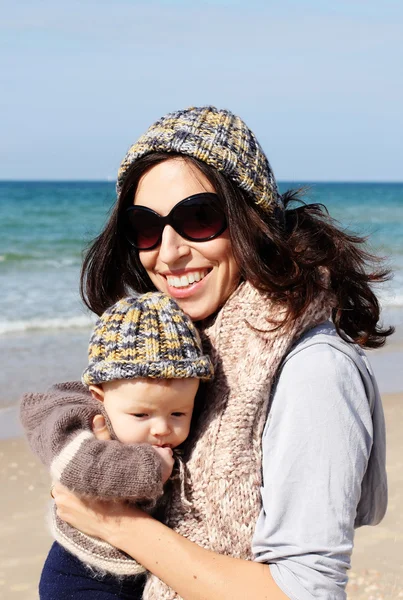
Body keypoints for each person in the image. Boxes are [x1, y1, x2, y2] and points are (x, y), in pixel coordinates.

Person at [20, 105, 392, 600]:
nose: (168, 252)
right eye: (146, 227)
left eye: (198, 217)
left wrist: (117, 524)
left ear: (252, 219)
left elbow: (306, 592)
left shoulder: (315, 371)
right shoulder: (190, 343)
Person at [21, 291, 213, 597]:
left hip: (144, 570)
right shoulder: (76, 417)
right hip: (81, 572)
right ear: (100, 395)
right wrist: (149, 467)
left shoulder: (150, 422)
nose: (162, 428)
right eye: (141, 414)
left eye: (178, 412)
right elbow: (78, 466)